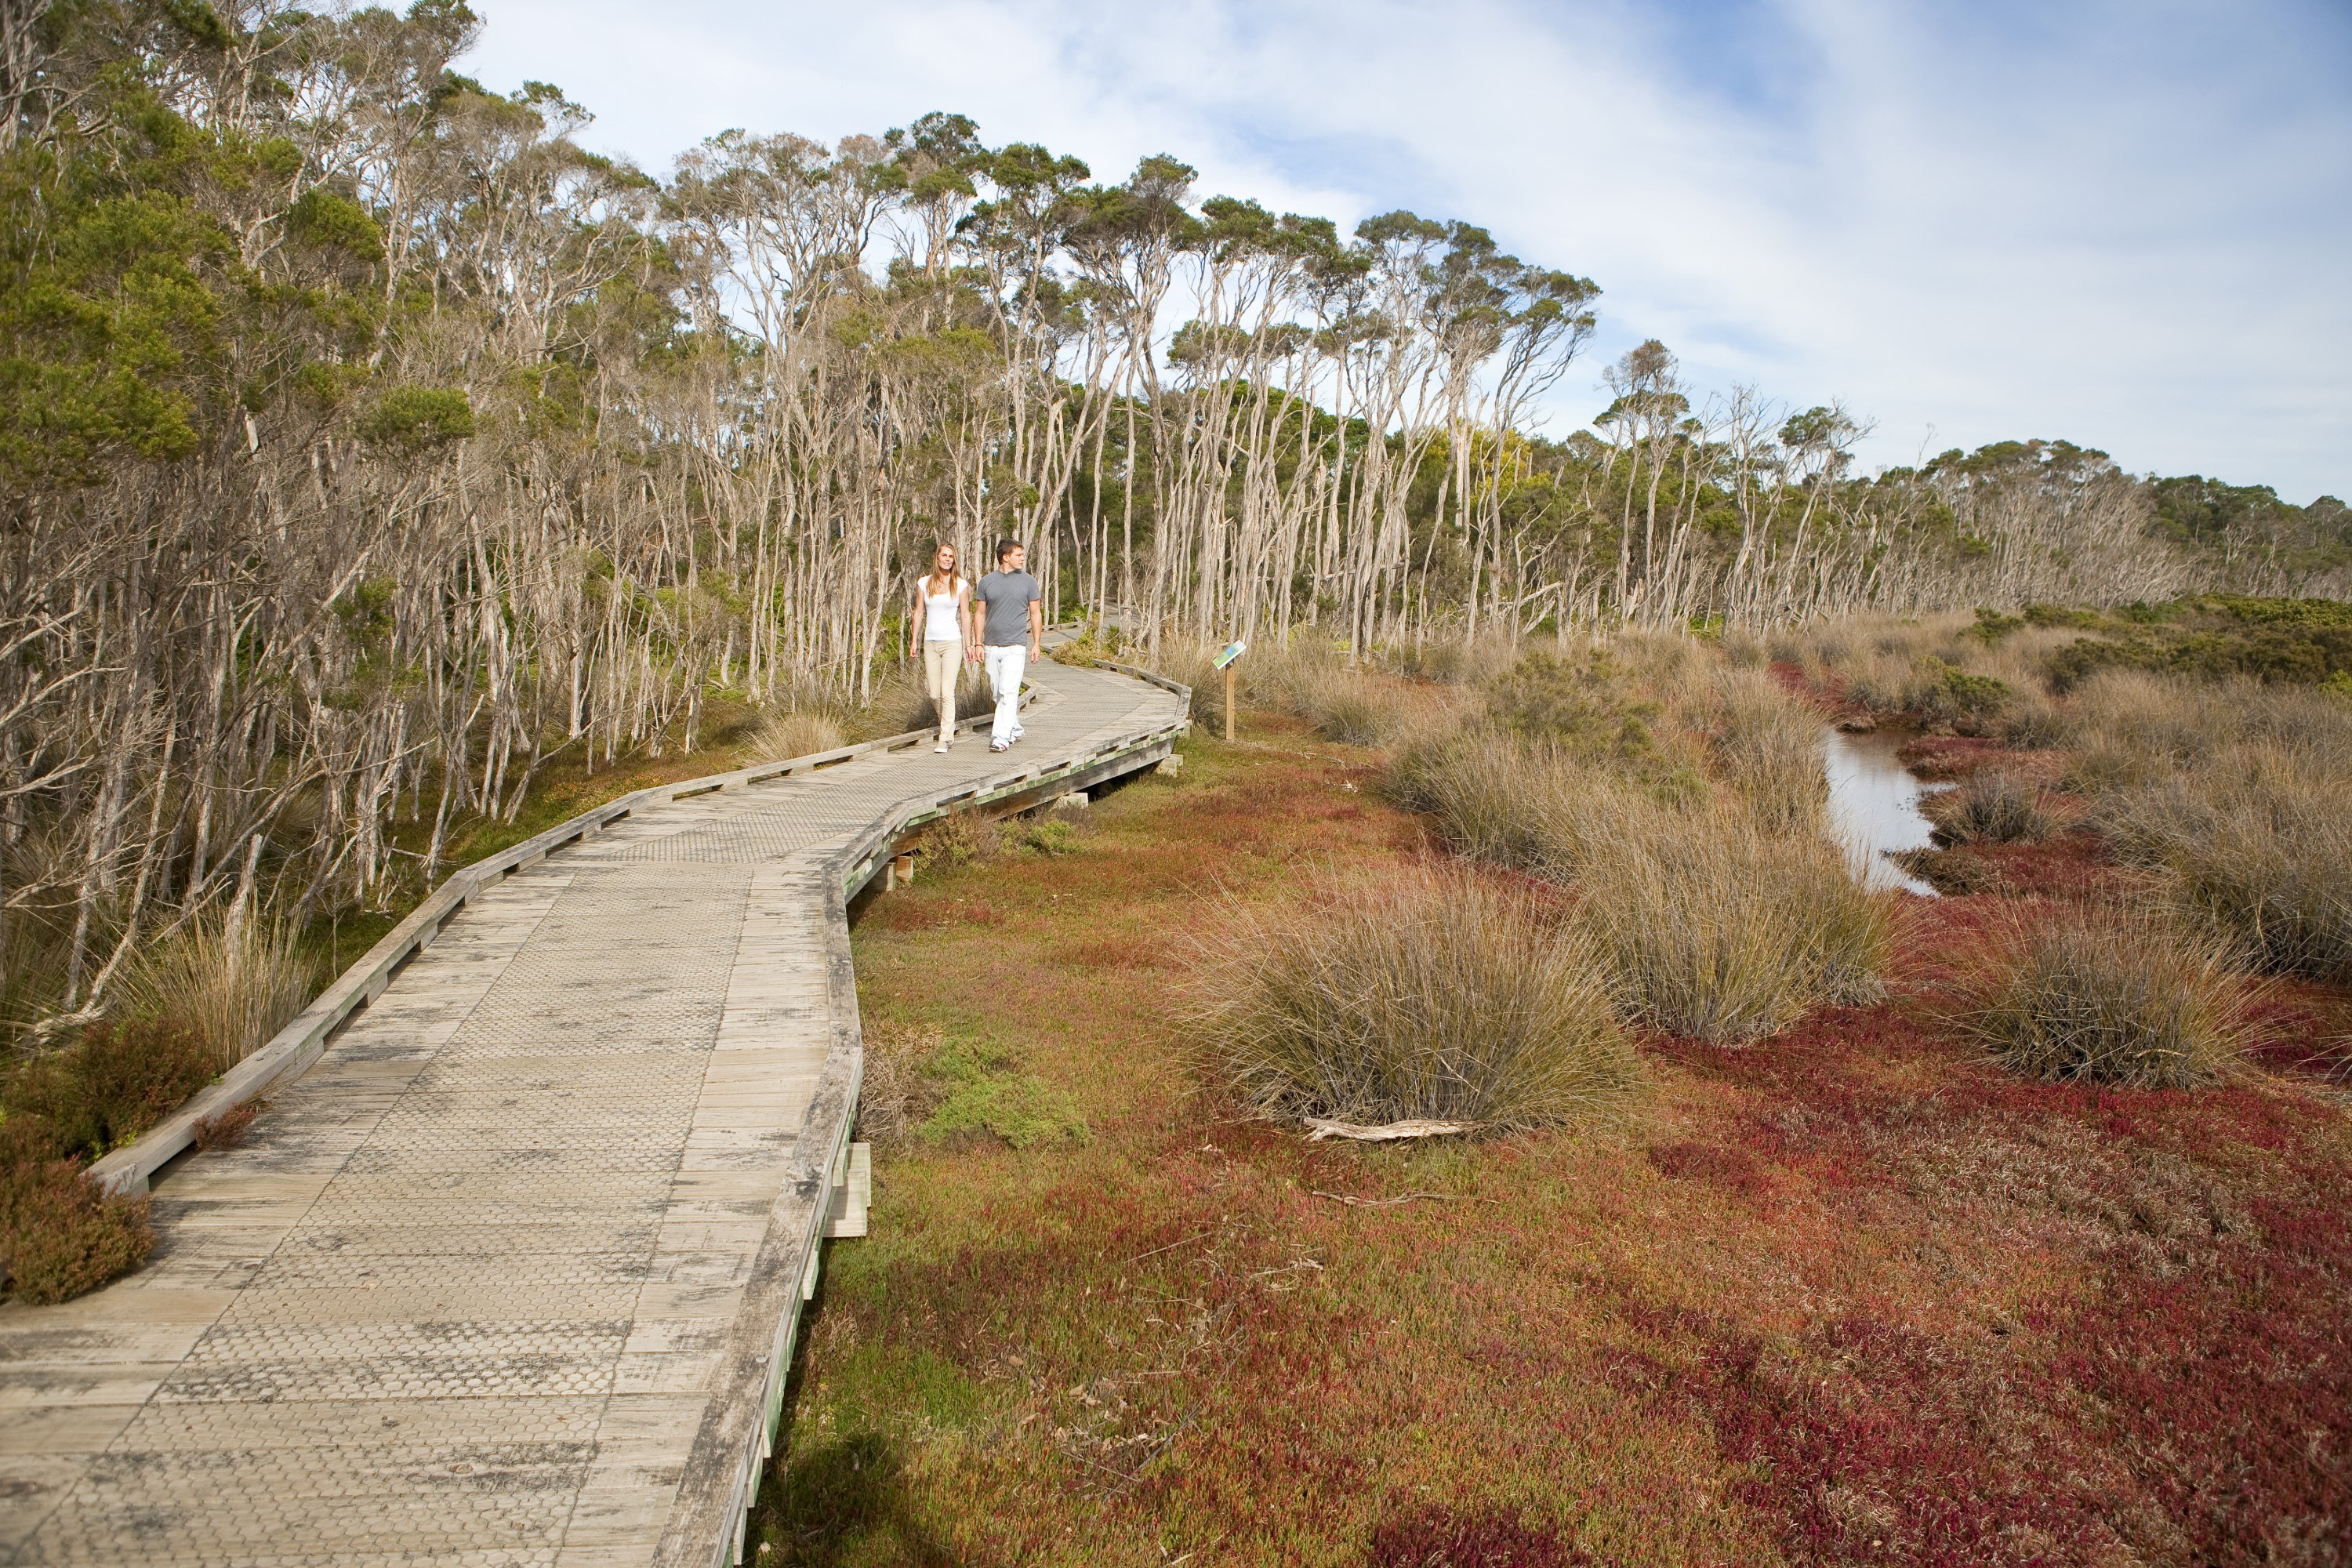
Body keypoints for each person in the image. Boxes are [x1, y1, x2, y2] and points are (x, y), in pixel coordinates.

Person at [968, 539, 1042, 753]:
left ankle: (1000, 738)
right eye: (1018, 555)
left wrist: (1037, 643)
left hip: (1016, 646)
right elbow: (979, 614)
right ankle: (1015, 728)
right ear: (1006, 557)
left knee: (1008, 692)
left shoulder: (1028, 582)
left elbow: (1035, 613)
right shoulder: (987, 582)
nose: (1023, 558)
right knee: (997, 694)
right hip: (991, 646)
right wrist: (978, 643)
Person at [907, 543, 971, 753]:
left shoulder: (960, 585)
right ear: (937, 558)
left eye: (951, 556)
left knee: (947, 690)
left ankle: (945, 737)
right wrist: (914, 640)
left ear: (954, 560)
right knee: (934, 693)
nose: (947, 559)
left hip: (952, 642)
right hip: (931, 642)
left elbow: (965, 614)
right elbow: (918, 612)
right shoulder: (924, 583)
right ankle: (948, 724)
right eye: (944, 555)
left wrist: (969, 643)